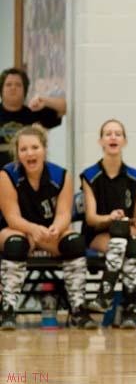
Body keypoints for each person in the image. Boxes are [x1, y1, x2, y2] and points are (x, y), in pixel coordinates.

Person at [0, 125, 97, 329]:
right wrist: (32, 230)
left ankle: (78, 309)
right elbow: (12, 217)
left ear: (44, 149)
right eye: (24, 149)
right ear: (17, 153)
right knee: (15, 243)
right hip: (18, 230)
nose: (30, 153)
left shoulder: (61, 176)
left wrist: (56, 228)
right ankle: (7, 309)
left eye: (34, 147)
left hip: (47, 233)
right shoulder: (7, 175)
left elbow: (64, 214)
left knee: (74, 242)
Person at [80, 119, 136, 329]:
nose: (113, 137)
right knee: (122, 238)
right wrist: (110, 217)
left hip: (124, 234)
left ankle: (109, 298)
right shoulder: (90, 175)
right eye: (108, 133)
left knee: (131, 243)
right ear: (101, 141)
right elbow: (91, 219)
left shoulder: (135, 176)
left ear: (124, 141)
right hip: (98, 233)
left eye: (118, 133)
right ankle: (128, 306)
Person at [0, 68, 66, 167]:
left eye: (18, 85)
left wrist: (44, 100)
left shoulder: (34, 113)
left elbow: (64, 108)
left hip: (30, 172)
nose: (13, 88)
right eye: (8, 84)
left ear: (25, 90)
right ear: (1, 89)